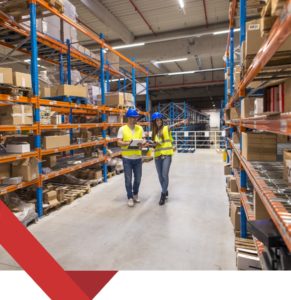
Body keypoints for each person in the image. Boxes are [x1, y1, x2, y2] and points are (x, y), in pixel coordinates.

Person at [151, 112, 187, 206]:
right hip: (157, 156)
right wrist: (150, 144)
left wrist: (182, 122)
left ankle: (163, 195)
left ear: (162, 120)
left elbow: (174, 125)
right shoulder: (154, 132)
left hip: (167, 155)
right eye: (156, 121)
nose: (157, 122)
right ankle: (165, 189)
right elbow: (155, 145)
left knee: (164, 175)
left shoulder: (166, 128)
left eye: (159, 120)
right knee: (160, 176)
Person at [117, 108, 145, 207]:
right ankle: (129, 197)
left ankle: (135, 194)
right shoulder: (122, 129)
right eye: (132, 118)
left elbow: (143, 139)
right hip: (127, 158)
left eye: (135, 118)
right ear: (128, 118)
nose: (134, 119)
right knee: (128, 179)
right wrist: (127, 143)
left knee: (138, 179)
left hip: (137, 157)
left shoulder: (140, 128)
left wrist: (143, 143)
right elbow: (118, 142)